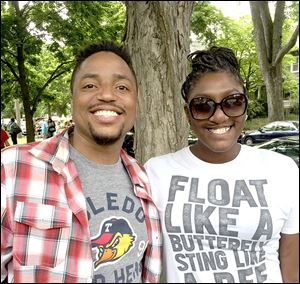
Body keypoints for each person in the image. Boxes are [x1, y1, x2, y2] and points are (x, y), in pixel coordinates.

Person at [1, 41, 162, 283]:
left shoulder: (146, 181)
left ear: (135, 104)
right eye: (90, 85)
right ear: (72, 100)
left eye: (121, 87)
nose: (107, 95)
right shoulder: (12, 169)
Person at [145, 46, 299, 283]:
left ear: (245, 105)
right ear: (187, 113)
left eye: (233, 102)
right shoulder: (156, 172)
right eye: (202, 105)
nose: (219, 116)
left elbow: (291, 265)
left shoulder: (283, 170)